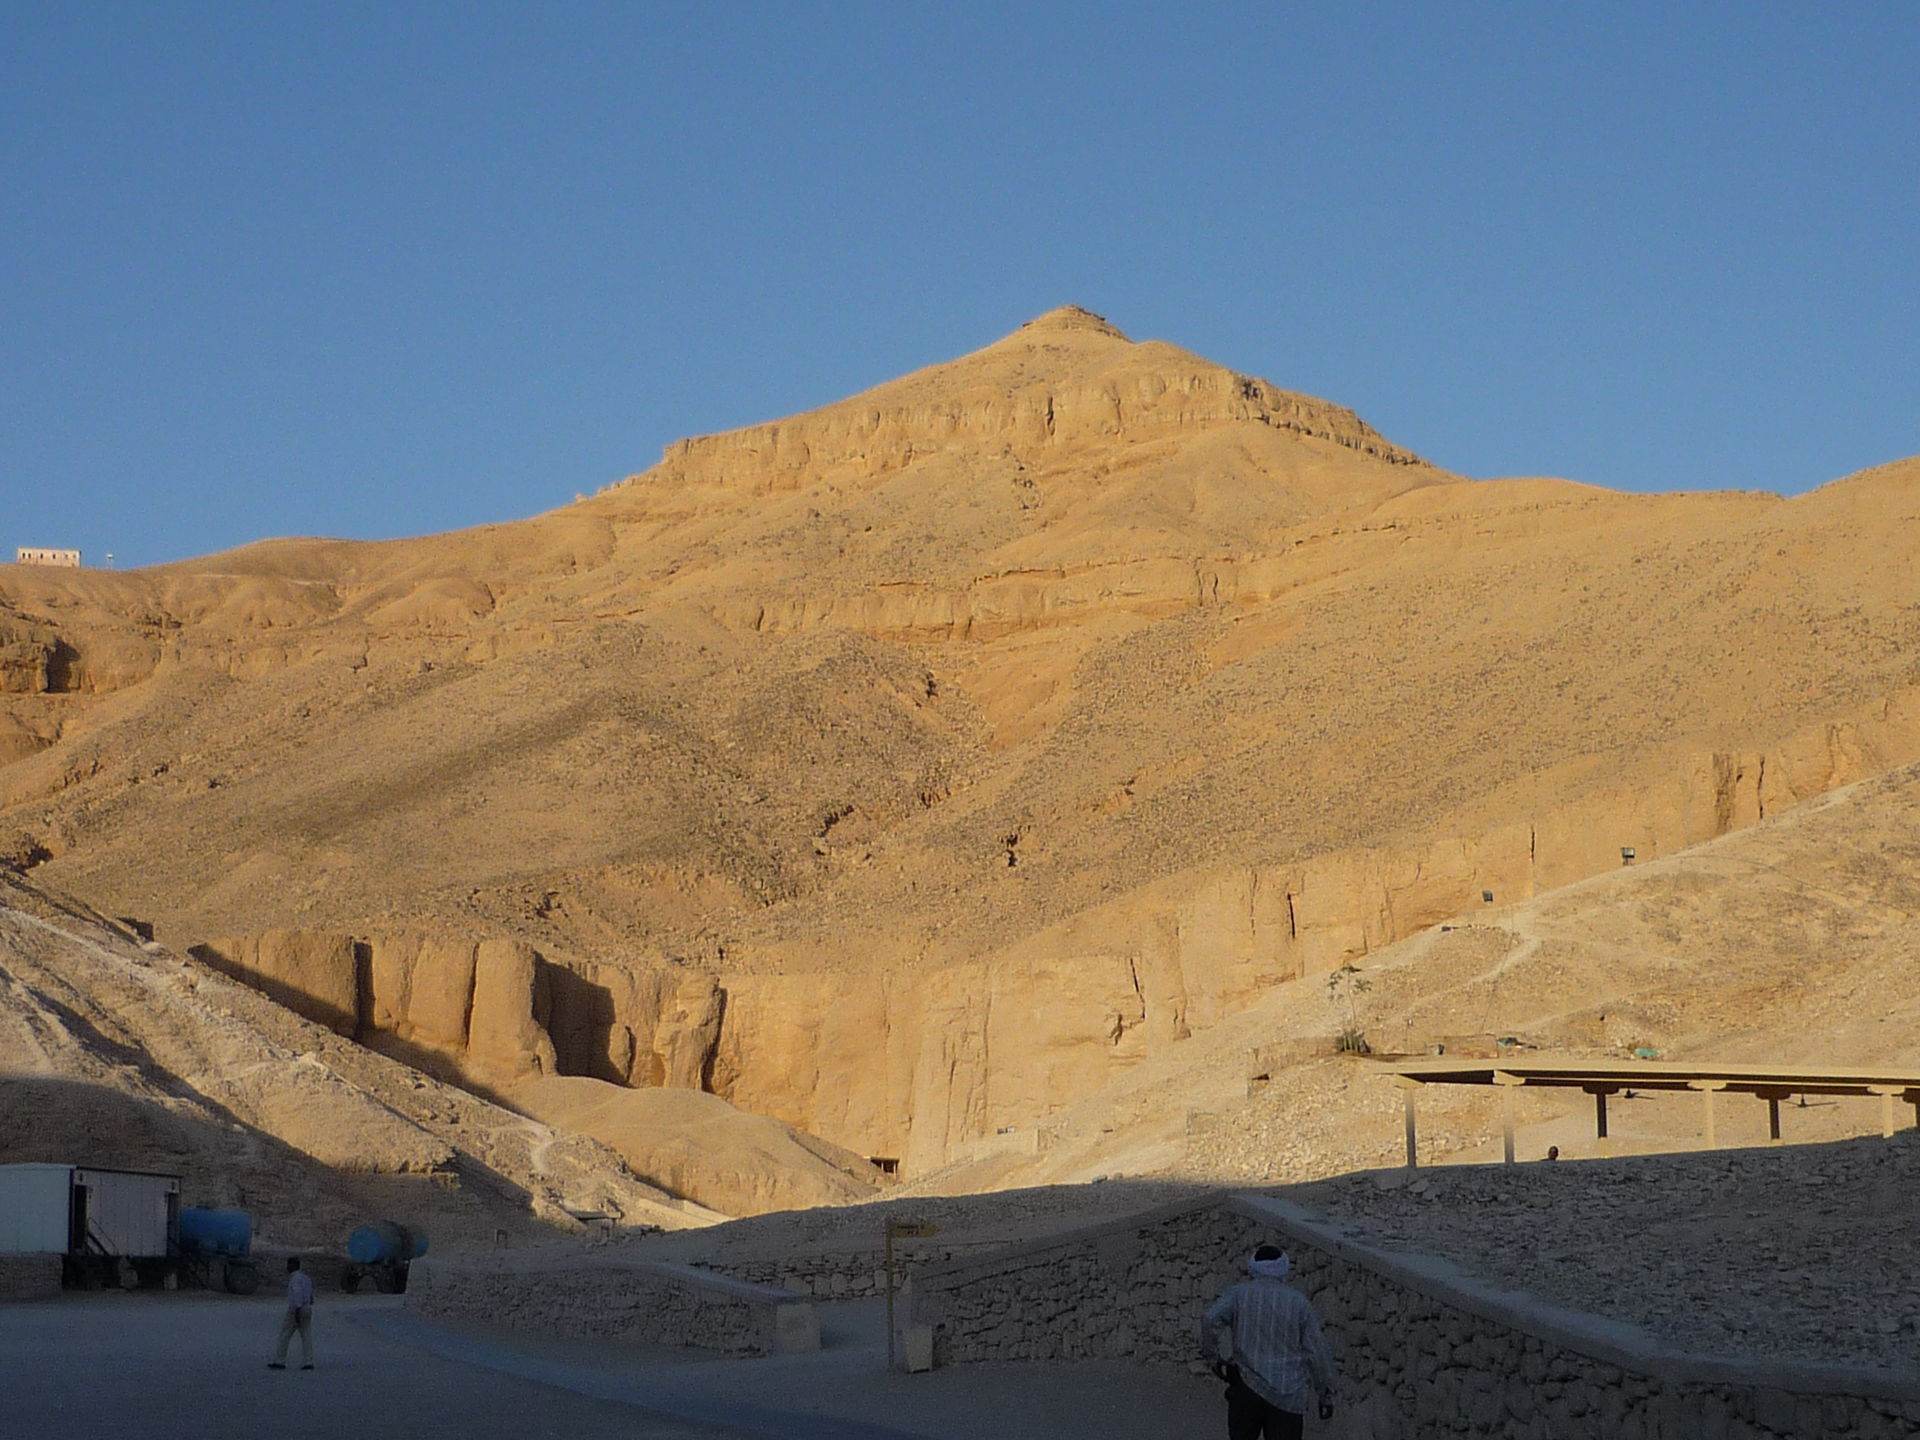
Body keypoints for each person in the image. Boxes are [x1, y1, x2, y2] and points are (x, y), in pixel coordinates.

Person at [1199, 1244, 1336, 1440]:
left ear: (1253, 1266)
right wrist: (1325, 1394)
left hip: (1246, 1387)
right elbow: (1317, 1352)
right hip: (1287, 1397)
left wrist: (1214, 1359)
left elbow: (1210, 1320)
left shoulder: (1238, 1294)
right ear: (1284, 1266)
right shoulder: (1299, 1303)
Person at [268, 1256, 315, 1370]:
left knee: (285, 1334)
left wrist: (297, 1310)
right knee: (306, 1336)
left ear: (293, 1266)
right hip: (307, 1307)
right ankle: (308, 1361)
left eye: (288, 1265)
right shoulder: (306, 1278)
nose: (287, 1268)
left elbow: (297, 1294)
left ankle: (280, 1360)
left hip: (296, 1310)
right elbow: (311, 1296)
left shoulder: (295, 1279)